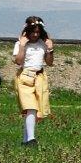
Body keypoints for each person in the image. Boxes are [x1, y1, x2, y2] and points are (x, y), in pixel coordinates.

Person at [13, 16, 54, 146]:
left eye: (37, 32)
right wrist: (22, 46)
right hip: (25, 77)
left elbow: (49, 62)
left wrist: (50, 49)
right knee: (30, 107)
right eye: (32, 32)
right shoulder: (21, 44)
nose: (35, 35)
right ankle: (31, 139)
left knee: (35, 110)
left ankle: (25, 140)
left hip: (39, 77)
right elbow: (18, 61)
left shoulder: (42, 44)